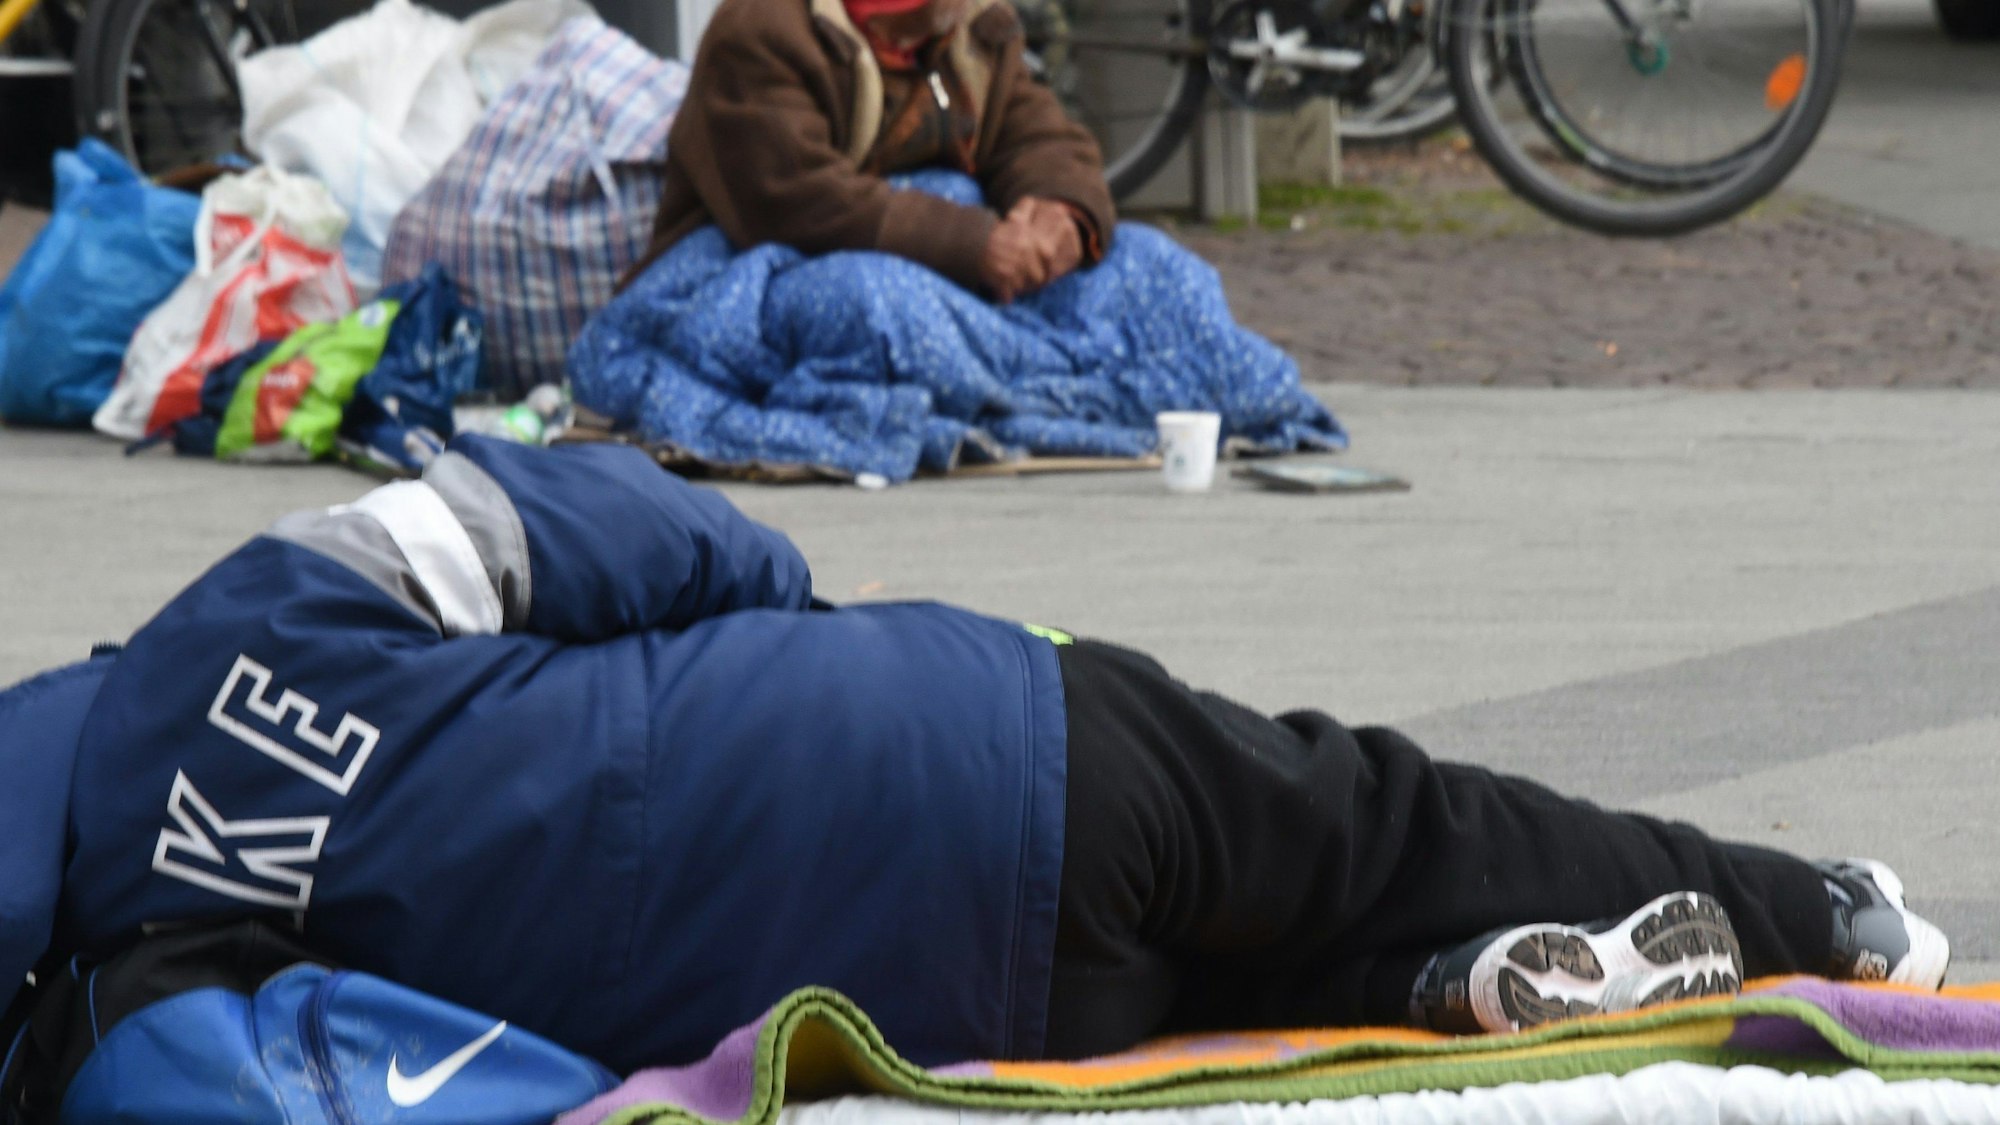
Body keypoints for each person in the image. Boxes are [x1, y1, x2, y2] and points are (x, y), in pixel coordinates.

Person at [0, 437, 1947, 1074]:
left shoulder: (146, 1022)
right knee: (1391, 818)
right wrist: (785, 620)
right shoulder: (236, 628)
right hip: (961, 724)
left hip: (908, 993)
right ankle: (1822, 912)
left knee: (1219, 1021)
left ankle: (1445, 1001)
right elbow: (614, 520)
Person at [627, 0, 1115, 303]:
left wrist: (1063, 212)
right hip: (754, 273)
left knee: (1141, 267)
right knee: (879, 307)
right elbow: (796, 201)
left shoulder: (970, 25)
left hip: (940, 264)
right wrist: (975, 245)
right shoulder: (760, 30)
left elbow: (1034, 130)